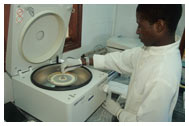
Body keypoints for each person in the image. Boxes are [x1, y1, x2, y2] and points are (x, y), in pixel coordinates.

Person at [62, 4, 183, 122]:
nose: (137, 31)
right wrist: (83, 61)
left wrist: (119, 112)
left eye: (140, 26)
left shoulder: (163, 75)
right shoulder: (153, 49)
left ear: (159, 26)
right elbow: (121, 59)